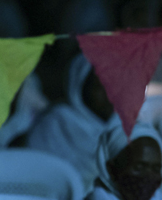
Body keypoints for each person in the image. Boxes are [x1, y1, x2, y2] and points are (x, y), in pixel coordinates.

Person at [28, 53, 120, 189]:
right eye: (99, 87)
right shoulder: (56, 124)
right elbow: (36, 178)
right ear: (80, 87)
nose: (109, 95)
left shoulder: (124, 126)